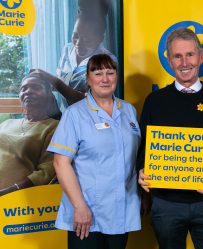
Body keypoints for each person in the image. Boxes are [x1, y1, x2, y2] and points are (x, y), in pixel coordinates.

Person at [137, 28, 203, 249]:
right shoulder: (154, 101)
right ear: (169, 61)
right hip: (166, 204)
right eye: (177, 56)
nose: (184, 62)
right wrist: (142, 170)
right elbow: (143, 148)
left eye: (189, 54)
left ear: (200, 57)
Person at [47, 54, 140, 249]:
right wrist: (80, 207)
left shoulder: (129, 111)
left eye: (110, 73)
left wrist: (144, 196)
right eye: (98, 73)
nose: (105, 79)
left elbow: (135, 159)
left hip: (122, 211)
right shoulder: (75, 114)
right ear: (88, 80)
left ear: (116, 77)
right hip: (86, 214)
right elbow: (60, 163)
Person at [30, 0, 118, 112]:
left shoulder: (108, 62)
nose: (78, 44)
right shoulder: (68, 50)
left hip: (90, 121)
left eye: (86, 39)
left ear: (100, 39)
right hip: (67, 117)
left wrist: (53, 80)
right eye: (75, 36)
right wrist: (41, 82)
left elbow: (89, 102)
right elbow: (67, 85)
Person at [0, 71, 61, 196]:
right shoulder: (7, 123)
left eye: (36, 88)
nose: (28, 91)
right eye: (24, 89)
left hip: (17, 200)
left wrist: (8, 191)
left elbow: (46, 172)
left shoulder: (54, 127)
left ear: (49, 96)